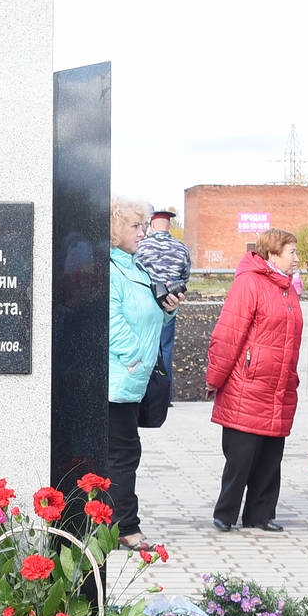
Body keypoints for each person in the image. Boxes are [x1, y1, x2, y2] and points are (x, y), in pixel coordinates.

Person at [205, 227, 302, 532]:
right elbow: (228, 334)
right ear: (272, 254)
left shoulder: (288, 288)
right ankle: (226, 513)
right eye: (292, 252)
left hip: (279, 386)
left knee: (271, 457)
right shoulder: (249, 283)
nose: (297, 258)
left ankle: (261, 514)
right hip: (248, 385)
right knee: (241, 457)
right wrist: (215, 378)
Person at [108, 197, 174, 547]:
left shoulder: (134, 267)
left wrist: (167, 311)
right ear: (115, 230)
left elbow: (148, 315)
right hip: (119, 380)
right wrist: (135, 359)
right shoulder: (112, 270)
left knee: (125, 452)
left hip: (134, 379)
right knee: (123, 454)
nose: (142, 232)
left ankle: (116, 523)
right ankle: (125, 527)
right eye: (135, 226)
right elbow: (112, 321)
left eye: (143, 225)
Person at [137, 205, 192, 399]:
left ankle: (145, 393)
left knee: (144, 345)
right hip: (170, 303)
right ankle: (165, 396)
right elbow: (185, 277)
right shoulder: (181, 248)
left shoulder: (141, 245)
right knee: (166, 348)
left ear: (151, 223)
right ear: (169, 224)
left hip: (145, 303)